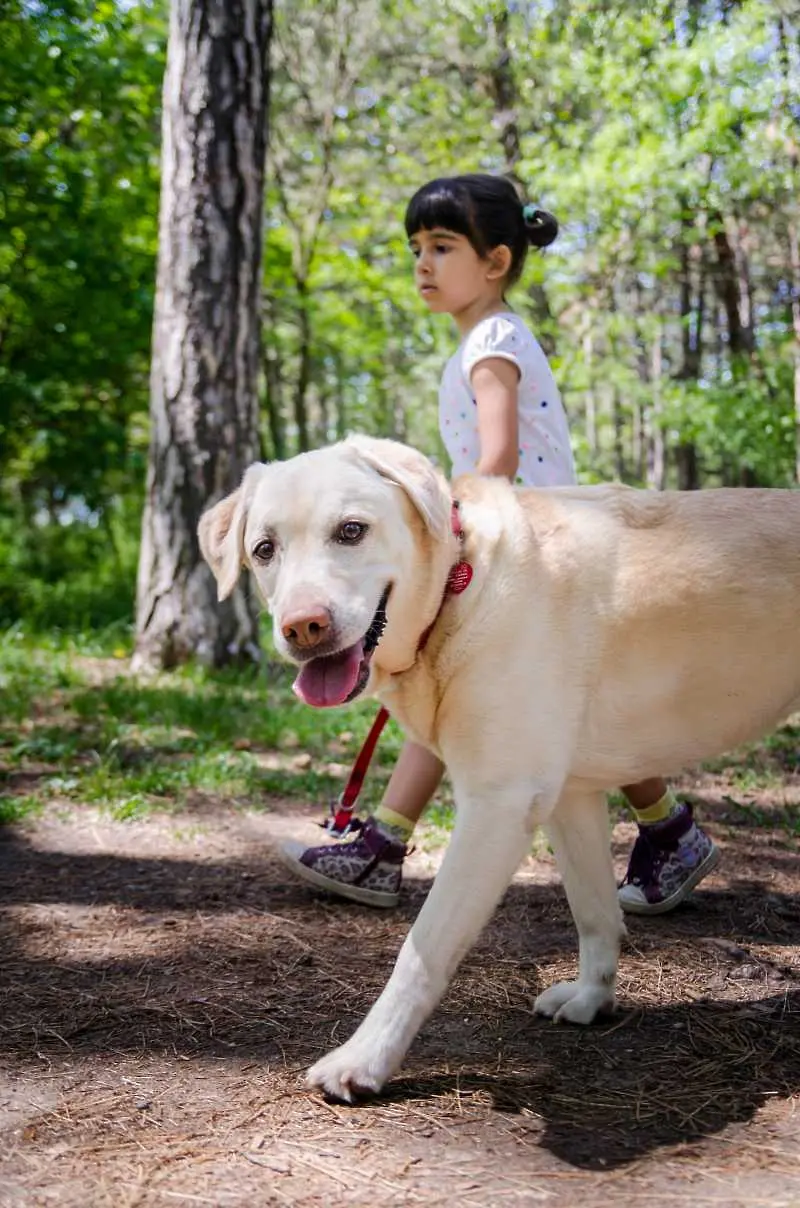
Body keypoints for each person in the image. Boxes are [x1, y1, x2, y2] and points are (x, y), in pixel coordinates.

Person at [279, 173, 719, 915]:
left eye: (442, 246)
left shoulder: (492, 341)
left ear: (496, 261)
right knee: (561, 709)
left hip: (531, 548)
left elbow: (499, 456)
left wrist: (444, 526)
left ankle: (382, 847)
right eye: (416, 247)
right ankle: (669, 829)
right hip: (530, 543)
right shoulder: (481, 340)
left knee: (450, 684)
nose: (422, 262)